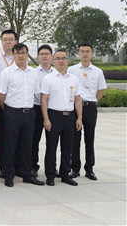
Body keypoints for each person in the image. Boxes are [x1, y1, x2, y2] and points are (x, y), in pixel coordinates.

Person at [0, 43, 44, 187]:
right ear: (13, 55)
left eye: (23, 52)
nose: (21, 55)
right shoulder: (7, 73)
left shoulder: (33, 73)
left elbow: (36, 93)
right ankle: (9, 174)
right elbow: (1, 95)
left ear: (27, 54)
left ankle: (27, 174)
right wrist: (8, 110)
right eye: (17, 53)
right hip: (12, 113)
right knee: (10, 145)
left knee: (27, 145)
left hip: (29, 113)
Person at [41, 50, 83, 186]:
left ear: (67, 61)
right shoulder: (48, 79)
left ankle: (65, 174)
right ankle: (50, 175)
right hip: (54, 116)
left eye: (63, 58)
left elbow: (78, 99)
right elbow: (43, 100)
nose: (61, 61)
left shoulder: (74, 79)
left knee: (67, 148)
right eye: (58, 58)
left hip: (70, 116)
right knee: (51, 147)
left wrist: (79, 118)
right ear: (53, 61)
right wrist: (46, 119)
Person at [68, 42, 107, 180]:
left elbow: (101, 90)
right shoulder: (72, 70)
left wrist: (93, 102)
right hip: (74, 108)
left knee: (89, 138)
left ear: (92, 53)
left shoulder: (97, 71)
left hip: (90, 107)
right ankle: (75, 168)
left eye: (87, 51)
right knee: (75, 139)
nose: (85, 54)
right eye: (82, 51)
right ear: (78, 53)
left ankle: (89, 168)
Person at [0, 29, 17, 177]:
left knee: (16, 137)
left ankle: (16, 165)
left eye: (10, 39)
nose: (8, 42)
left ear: (15, 41)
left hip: (17, 104)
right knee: (2, 136)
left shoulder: (21, 58)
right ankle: (2, 165)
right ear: (1, 42)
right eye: (5, 39)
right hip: (2, 104)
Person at [32, 45, 54, 177]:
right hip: (36, 108)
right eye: (42, 54)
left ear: (51, 56)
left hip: (53, 110)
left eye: (47, 54)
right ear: (38, 56)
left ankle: (51, 168)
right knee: (34, 140)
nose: (44, 56)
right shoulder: (33, 72)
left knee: (52, 141)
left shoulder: (57, 73)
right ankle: (33, 166)